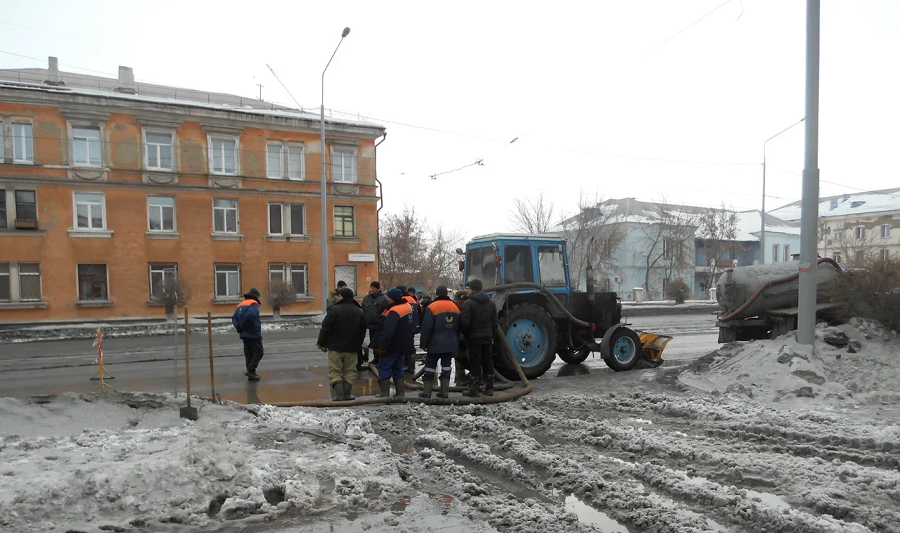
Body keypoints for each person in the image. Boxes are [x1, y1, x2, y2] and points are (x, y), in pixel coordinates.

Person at [317, 287, 367, 401]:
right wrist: (357, 345)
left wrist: (321, 343)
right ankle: (348, 395)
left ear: (343, 297)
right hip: (352, 349)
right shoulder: (360, 311)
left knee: (335, 371)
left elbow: (325, 328)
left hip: (335, 348)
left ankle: (339, 395)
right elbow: (362, 332)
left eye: (338, 295)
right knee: (350, 371)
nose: (336, 297)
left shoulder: (334, 310)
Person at [418, 285, 460, 399]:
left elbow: (426, 328)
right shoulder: (455, 307)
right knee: (446, 366)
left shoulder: (432, 307)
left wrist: (424, 344)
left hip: (435, 342)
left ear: (436, 294)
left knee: (430, 366)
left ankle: (427, 392)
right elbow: (459, 326)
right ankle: (444, 392)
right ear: (447, 293)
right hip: (450, 342)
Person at [374, 288, 415, 398]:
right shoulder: (407, 307)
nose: (387, 299)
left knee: (384, 368)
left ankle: (384, 394)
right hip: (403, 344)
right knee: (398, 368)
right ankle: (400, 393)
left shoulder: (394, 311)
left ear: (393, 298)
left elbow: (387, 331)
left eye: (389, 298)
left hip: (391, 345)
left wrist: (381, 346)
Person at [460, 279, 498, 397]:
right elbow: (494, 323)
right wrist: (492, 335)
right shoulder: (490, 303)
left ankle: (474, 389)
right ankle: (489, 388)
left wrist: (467, 335)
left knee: (475, 363)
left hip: (474, 337)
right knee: (488, 361)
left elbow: (465, 323)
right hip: (487, 336)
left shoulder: (469, 303)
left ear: (472, 289)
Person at [232, 288, 264, 381]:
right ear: (255, 296)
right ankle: (251, 370)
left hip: (244, 334)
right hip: (253, 332)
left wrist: (238, 327)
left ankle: (251, 373)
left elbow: (234, 318)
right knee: (259, 352)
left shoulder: (240, 305)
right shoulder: (253, 303)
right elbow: (251, 315)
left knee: (249, 353)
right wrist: (243, 326)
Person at [361, 281, 387, 369]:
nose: (372, 289)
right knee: (373, 342)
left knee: (379, 342)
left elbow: (385, 311)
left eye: (374, 288)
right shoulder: (366, 298)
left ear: (378, 289)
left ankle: (380, 358)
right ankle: (376, 357)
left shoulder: (383, 299)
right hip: (369, 324)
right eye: (371, 287)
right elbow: (363, 309)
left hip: (379, 325)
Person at [396, 285, 420, 371]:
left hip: (403, 327)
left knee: (403, 346)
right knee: (410, 345)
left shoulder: (402, 300)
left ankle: (405, 365)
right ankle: (411, 366)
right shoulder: (413, 300)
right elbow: (418, 313)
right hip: (412, 326)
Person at [452, 290, 470, 387]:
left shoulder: (453, 307)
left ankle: (459, 378)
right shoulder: (469, 306)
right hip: (466, 338)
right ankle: (463, 378)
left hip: (457, 338)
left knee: (459, 358)